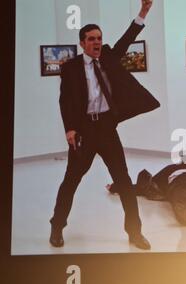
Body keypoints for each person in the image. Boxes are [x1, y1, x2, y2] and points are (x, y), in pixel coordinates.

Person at [49, 0, 160, 250]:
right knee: (70, 182)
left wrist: (142, 12)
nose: (96, 42)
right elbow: (65, 101)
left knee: (123, 180)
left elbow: (127, 38)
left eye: (98, 38)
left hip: (107, 129)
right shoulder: (71, 68)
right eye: (90, 39)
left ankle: (135, 233)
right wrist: (70, 129)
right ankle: (57, 227)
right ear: (82, 43)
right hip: (84, 132)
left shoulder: (108, 56)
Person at [106, 163, 186, 226]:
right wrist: (115, 187)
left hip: (184, 182)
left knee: (183, 193)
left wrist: (115, 187)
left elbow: (136, 188)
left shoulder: (160, 177)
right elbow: (135, 188)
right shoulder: (157, 181)